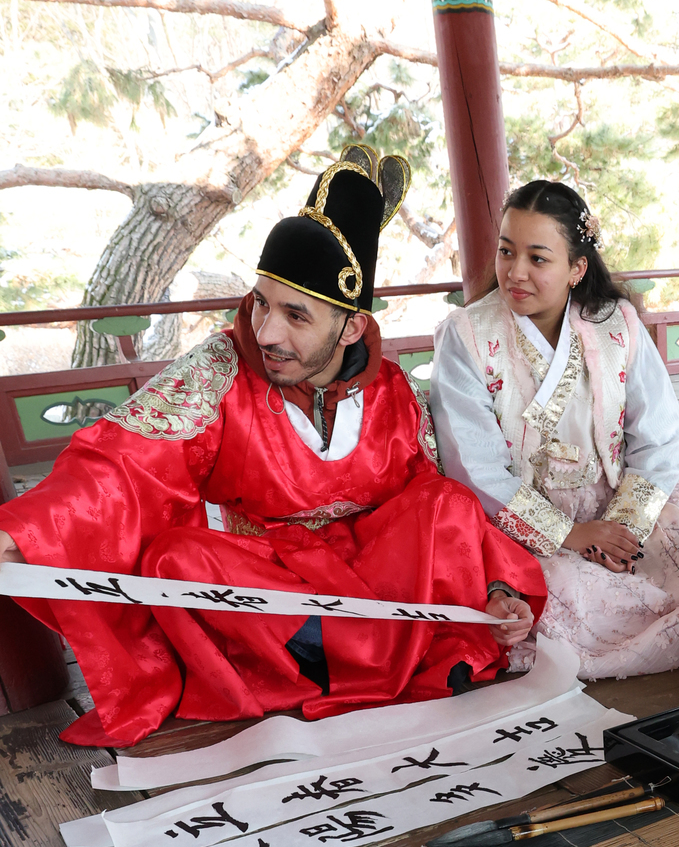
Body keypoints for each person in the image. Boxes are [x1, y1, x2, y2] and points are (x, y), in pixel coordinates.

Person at [0, 146, 543, 747]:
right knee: (176, 561)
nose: (266, 332)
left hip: (372, 577)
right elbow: (121, 463)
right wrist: (25, 533)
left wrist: (495, 589)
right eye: (261, 302)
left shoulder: (391, 391)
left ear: (352, 326)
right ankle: (340, 669)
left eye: (295, 315)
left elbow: (444, 515)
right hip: (268, 585)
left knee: (446, 503)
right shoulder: (219, 370)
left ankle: (380, 655)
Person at [431, 178, 679, 680]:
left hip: (619, 502)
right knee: (560, 601)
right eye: (505, 251)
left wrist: (625, 525)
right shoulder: (467, 334)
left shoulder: (616, 323)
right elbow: (473, 468)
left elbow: (660, 434)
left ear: (576, 269)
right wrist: (571, 534)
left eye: (538, 258)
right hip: (519, 525)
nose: (515, 272)